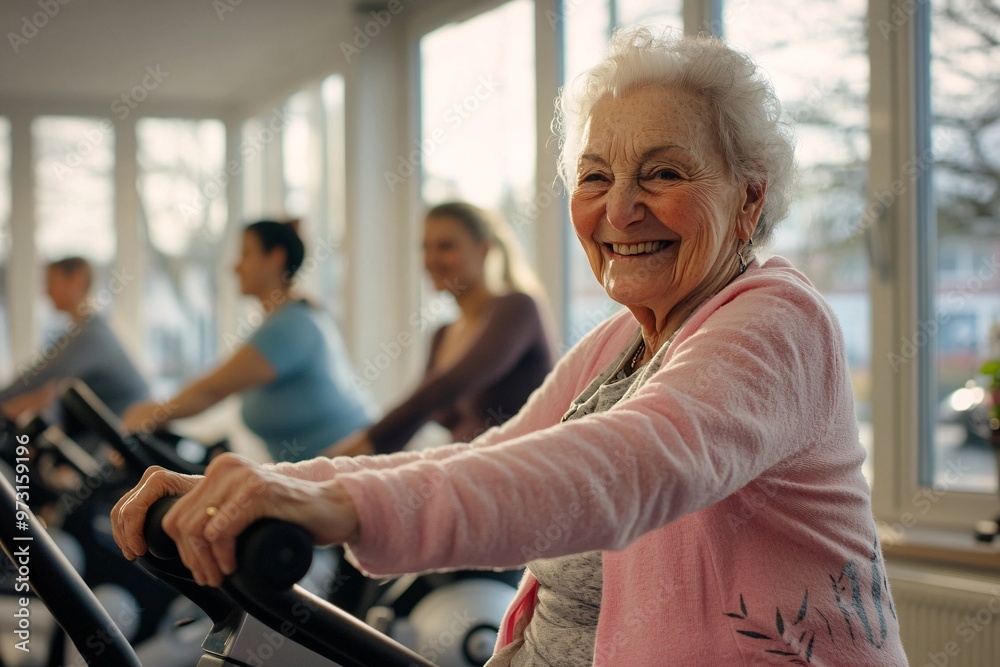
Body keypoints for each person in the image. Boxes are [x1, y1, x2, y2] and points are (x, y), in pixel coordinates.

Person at [110, 29, 908, 666]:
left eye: (662, 172)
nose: (620, 209)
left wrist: (337, 504)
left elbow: (632, 462)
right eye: (595, 177)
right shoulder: (621, 344)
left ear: (750, 196)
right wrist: (266, 484)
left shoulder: (778, 322)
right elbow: (486, 451)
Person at [121, 220, 375, 463]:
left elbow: (212, 390)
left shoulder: (290, 326)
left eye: (246, 254)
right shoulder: (285, 319)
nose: (235, 267)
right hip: (319, 477)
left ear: (275, 258)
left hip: (351, 470)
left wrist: (153, 413)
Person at [325, 201, 555, 458]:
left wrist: (348, 451)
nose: (431, 259)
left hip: (515, 473)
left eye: (446, 246)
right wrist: (352, 461)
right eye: (425, 248)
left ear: (483, 249)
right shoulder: (443, 334)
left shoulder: (516, 308)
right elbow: (419, 413)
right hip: (465, 471)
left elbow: (439, 391)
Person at [0, 257, 149, 436]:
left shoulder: (90, 335)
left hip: (125, 431)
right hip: (105, 428)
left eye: (50, 282)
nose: (45, 292)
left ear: (77, 279)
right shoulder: (82, 329)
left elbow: (41, 374)